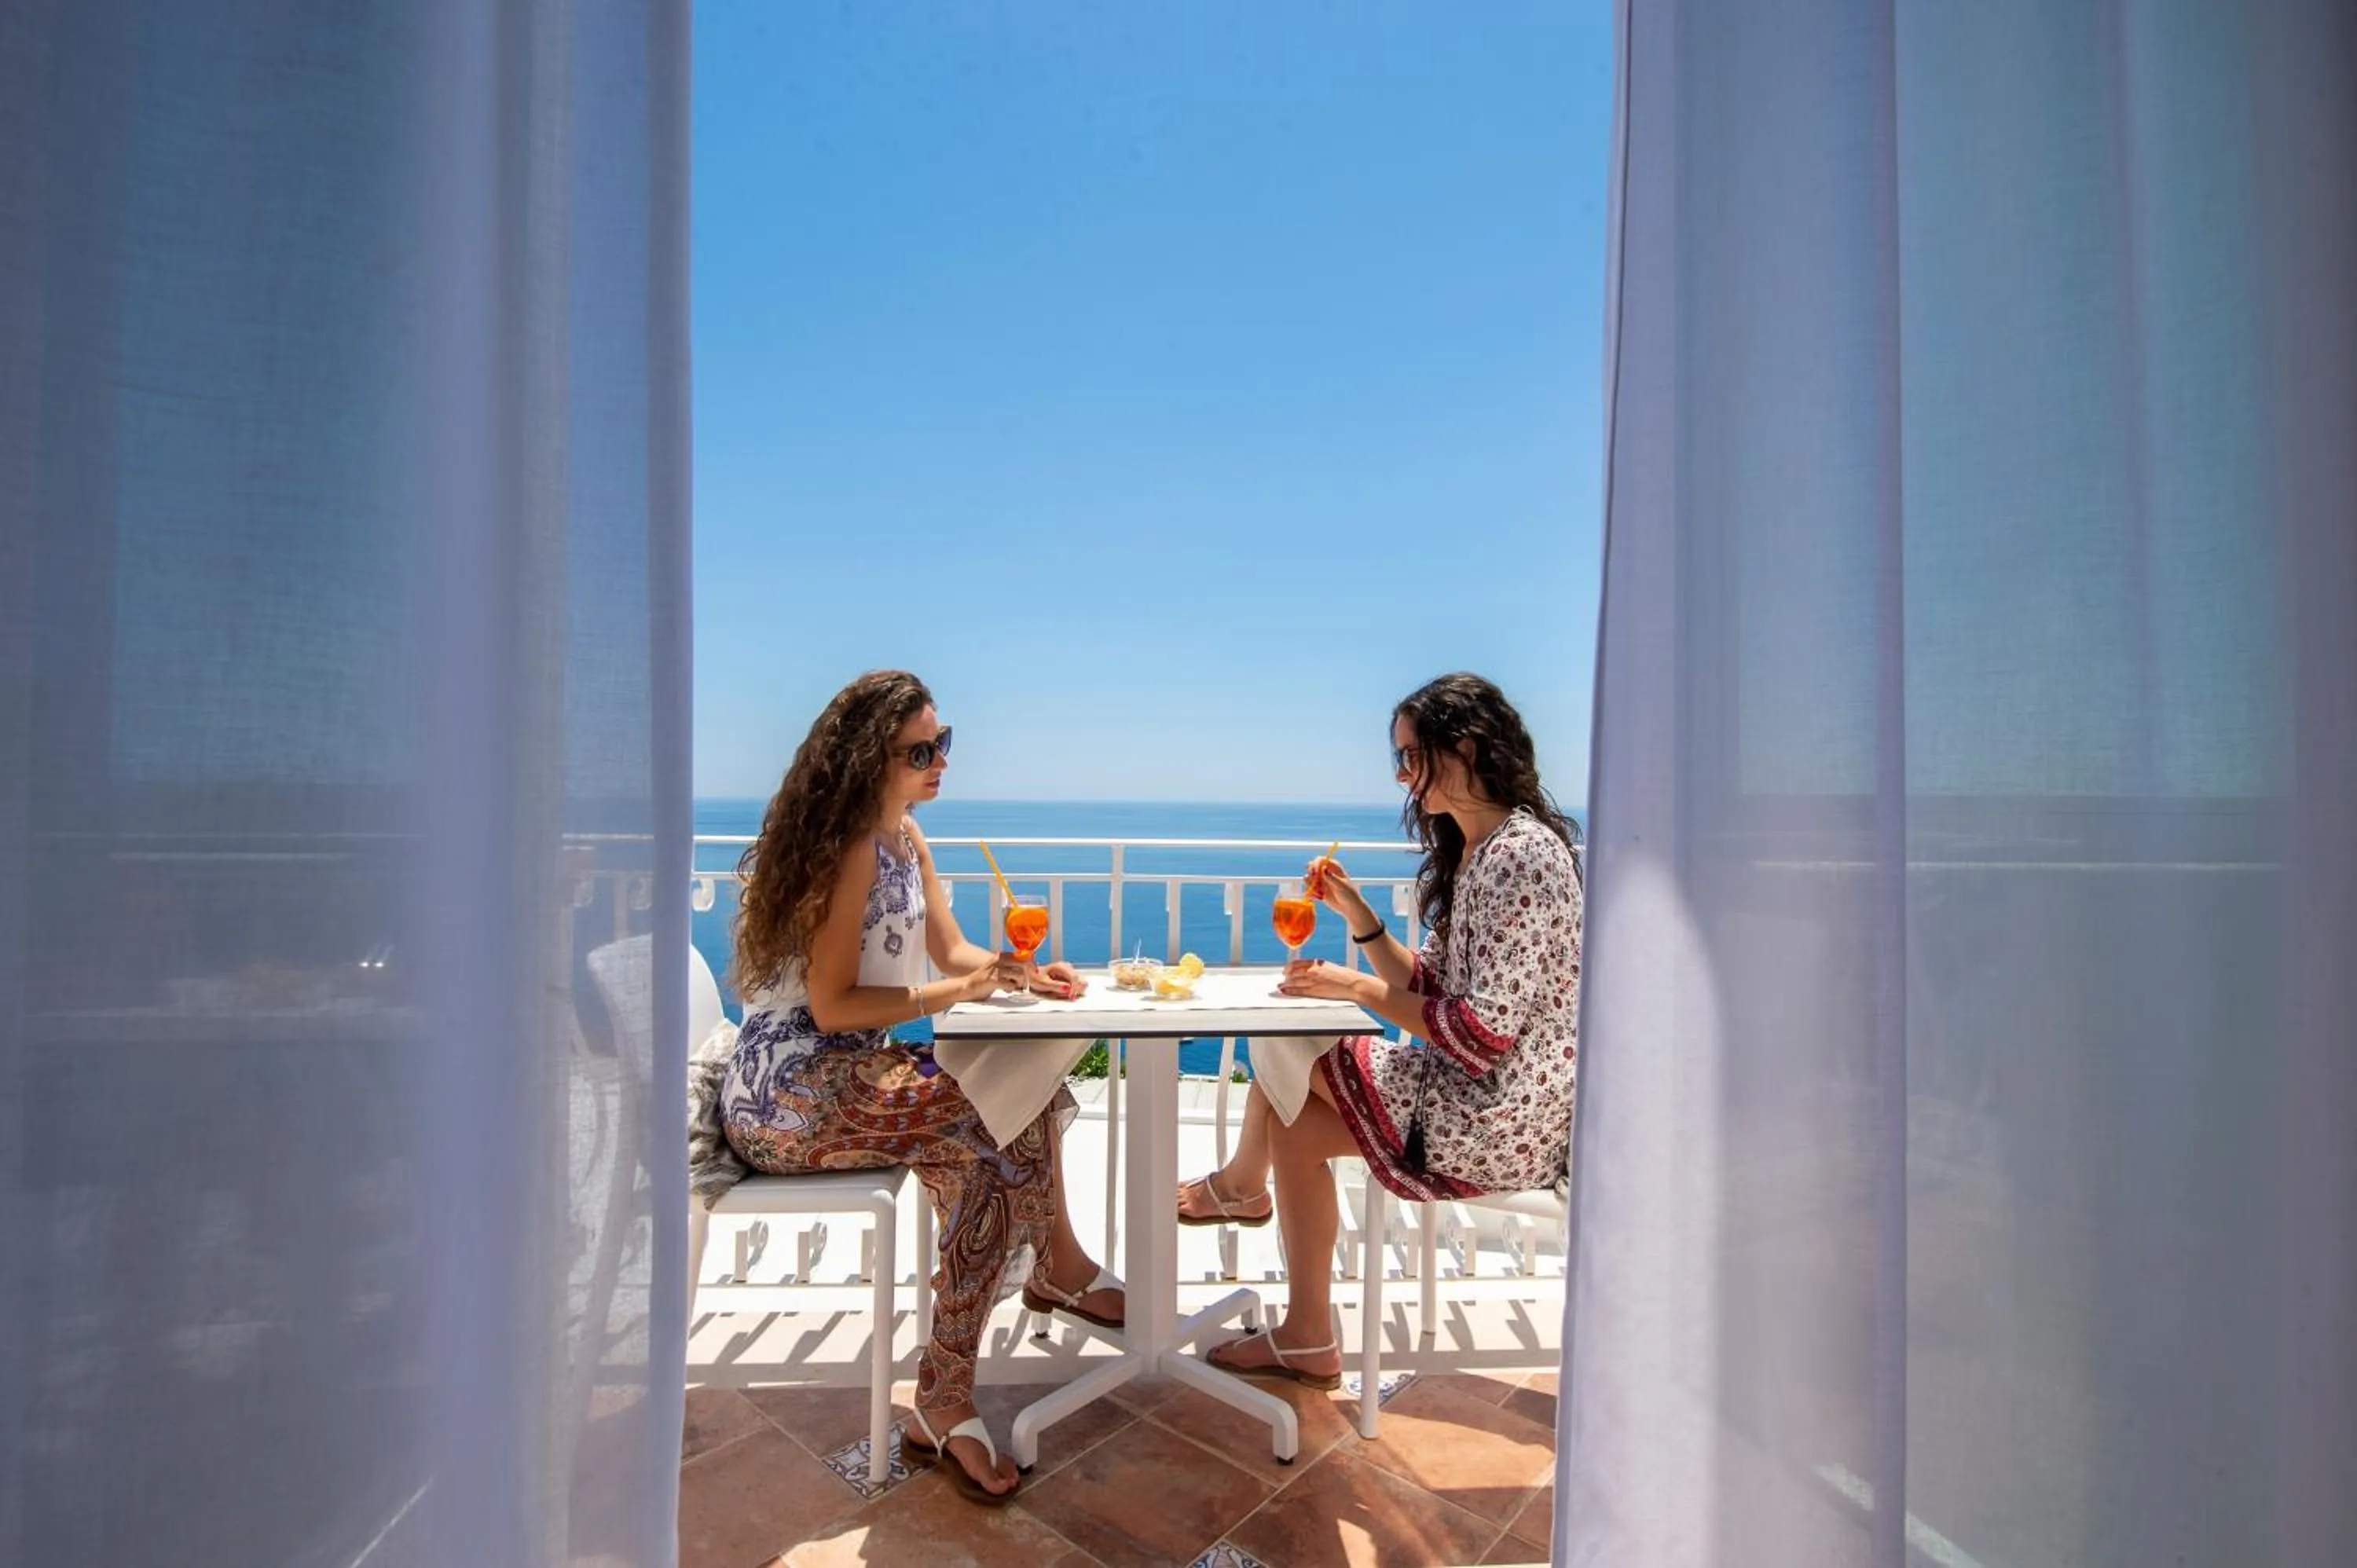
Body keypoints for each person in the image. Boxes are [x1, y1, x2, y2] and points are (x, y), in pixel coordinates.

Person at [720, 669, 1121, 1505]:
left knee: (1011, 1119)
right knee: (999, 1130)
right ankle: (995, 1335)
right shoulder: (849, 850)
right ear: (869, 758)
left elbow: (951, 951)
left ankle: (964, 1370)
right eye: (920, 751)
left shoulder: (905, 837)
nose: (940, 761)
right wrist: (957, 994)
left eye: (943, 744)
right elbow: (833, 1007)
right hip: (787, 1094)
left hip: (853, 1071)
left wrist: (1015, 972)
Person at [1177, 672, 1583, 1387]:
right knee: (1295, 1127)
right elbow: (1427, 987)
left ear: (1465, 748)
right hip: (1478, 1096)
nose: (1400, 775)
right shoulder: (1479, 851)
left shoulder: (1519, 856)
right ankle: (1307, 1335)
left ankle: (1239, 1186)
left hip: (1498, 1118)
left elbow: (1481, 1033)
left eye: (1411, 756)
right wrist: (1359, 915)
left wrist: (1353, 987)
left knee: (1284, 1040)